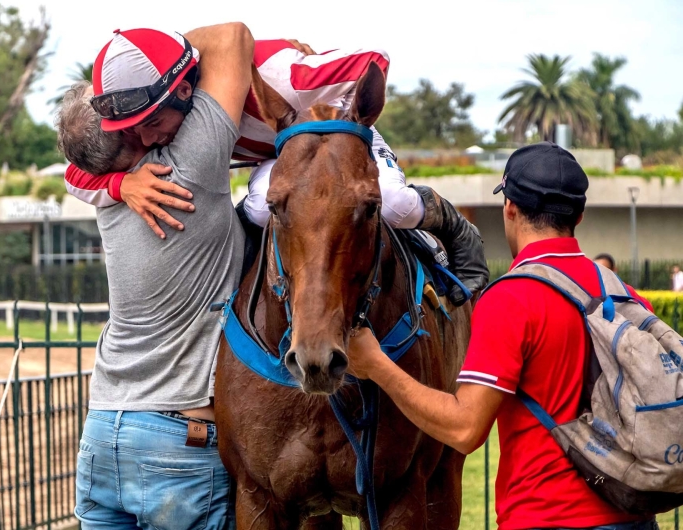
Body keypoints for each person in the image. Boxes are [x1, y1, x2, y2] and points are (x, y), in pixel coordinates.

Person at [346, 142, 658, 530]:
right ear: (578, 215)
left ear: (509, 208)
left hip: (546, 519)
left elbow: (464, 429)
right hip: (635, 517)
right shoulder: (624, 292)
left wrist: (376, 365)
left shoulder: (511, 299)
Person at [61, 39, 488, 305]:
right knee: (262, 209)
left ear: (182, 92)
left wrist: (334, 130)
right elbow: (74, 177)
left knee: (393, 203)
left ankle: (447, 225)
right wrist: (122, 183)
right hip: (282, 156)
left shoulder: (285, 78)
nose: (151, 141)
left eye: (152, 125)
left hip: (344, 138)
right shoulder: (176, 115)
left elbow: (374, 60)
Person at [67, 24, 253, 529]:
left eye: (151, 118)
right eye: (134, 126)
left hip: (103, 430)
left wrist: (118, 181)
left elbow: (74, 173)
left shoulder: (114, 191)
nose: (147, 136)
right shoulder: (194, 160)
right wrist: (165, 62)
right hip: (178, 442)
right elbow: (233, 36)